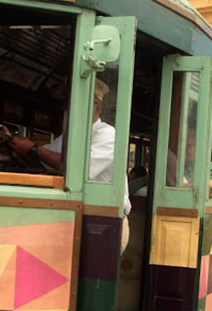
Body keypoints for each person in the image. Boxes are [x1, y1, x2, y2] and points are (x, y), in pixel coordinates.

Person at [8, 80, 131, 248]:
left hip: (106, 219)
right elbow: (48, 160)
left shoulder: (107, 135)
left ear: (96, 108)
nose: (69, 112)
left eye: (75, 105)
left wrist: (34, 148)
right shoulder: (71, 135)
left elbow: (78, 170)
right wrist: (19, 149)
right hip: (80, 217)